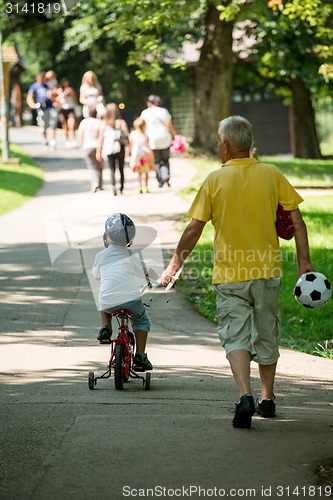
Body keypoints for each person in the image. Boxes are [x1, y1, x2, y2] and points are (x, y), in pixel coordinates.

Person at [161, 115, 315, 428]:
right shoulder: (271, 174)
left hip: (230, 276)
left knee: (236, 337)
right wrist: (304, 262)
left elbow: (194, 228)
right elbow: (297, 221)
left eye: (219, 142)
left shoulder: (215, 180)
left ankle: (245, 395)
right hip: (267, 273)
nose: (219, 146)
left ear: (227, 145)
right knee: (267, 333)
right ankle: (268, 397)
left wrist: (174, 264)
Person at [92, 213, 153, 371]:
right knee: (141, 321)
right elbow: (147, 273)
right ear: (130, 237)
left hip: (109, 301)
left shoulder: (100, 255)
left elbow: (96, 275)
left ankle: (106, 328)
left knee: (103, 301)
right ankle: (140, 356)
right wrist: (162, 278)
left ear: (107, 236)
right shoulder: (132, 256)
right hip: (131, 300)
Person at [140, 95, 176, 188]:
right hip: (165, 137)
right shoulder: (164, 111)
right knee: (165, 159)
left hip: (152, 139)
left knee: (156, 160)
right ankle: (166, 176)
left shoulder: (145, 113)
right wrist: (175, 136)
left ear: (149, 103)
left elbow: (141, 125)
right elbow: (170, 126)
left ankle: (160, 180)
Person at [96, 103, 129, 196]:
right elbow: (127, 136)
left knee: (112, 169)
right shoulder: (121, 122)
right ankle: (121, 187)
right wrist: (130, 149)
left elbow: (100, 139)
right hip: (120, 147)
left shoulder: (104, 124)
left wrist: (98, 151)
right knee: (121, 169)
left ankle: (114, 185)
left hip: (109, 148)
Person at [26, 72, 58, 149]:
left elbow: (56, 93)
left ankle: (52, 141)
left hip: (50, 107)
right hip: (41, 108)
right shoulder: (34, 86)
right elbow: (29, 97)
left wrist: (53, 96)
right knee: (43, 125)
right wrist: (33, 105)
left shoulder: (48, 85)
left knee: (52, 124)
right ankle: (45, 140)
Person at [77, 106, 103, 192]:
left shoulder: (84, 122)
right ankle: (100, 184)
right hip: (98, 146)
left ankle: (95, 183)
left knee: (92, 166)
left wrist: (82, 145)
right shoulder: (99, 122)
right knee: (100, 166)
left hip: (88, 146)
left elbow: (81, 135)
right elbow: (101, 135)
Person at [129, 117, 154, 193]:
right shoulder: (146, 134)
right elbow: (148, 145)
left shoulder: (132, 134)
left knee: (139, 172)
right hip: (145, 154)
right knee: (146, 171)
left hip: (136, 154)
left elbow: (131, 145)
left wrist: (130, 154)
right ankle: (146, 187)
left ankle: (140, 186)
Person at [57, 78, 78, 148]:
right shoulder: (59, 90)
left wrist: (70, 94)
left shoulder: (70, 89)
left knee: (71, 125)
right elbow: (57, 100)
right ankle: (67, 141)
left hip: (70, 109)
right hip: (62, 110)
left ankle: (74, 140)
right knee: (65, 127)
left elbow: (75, 99)